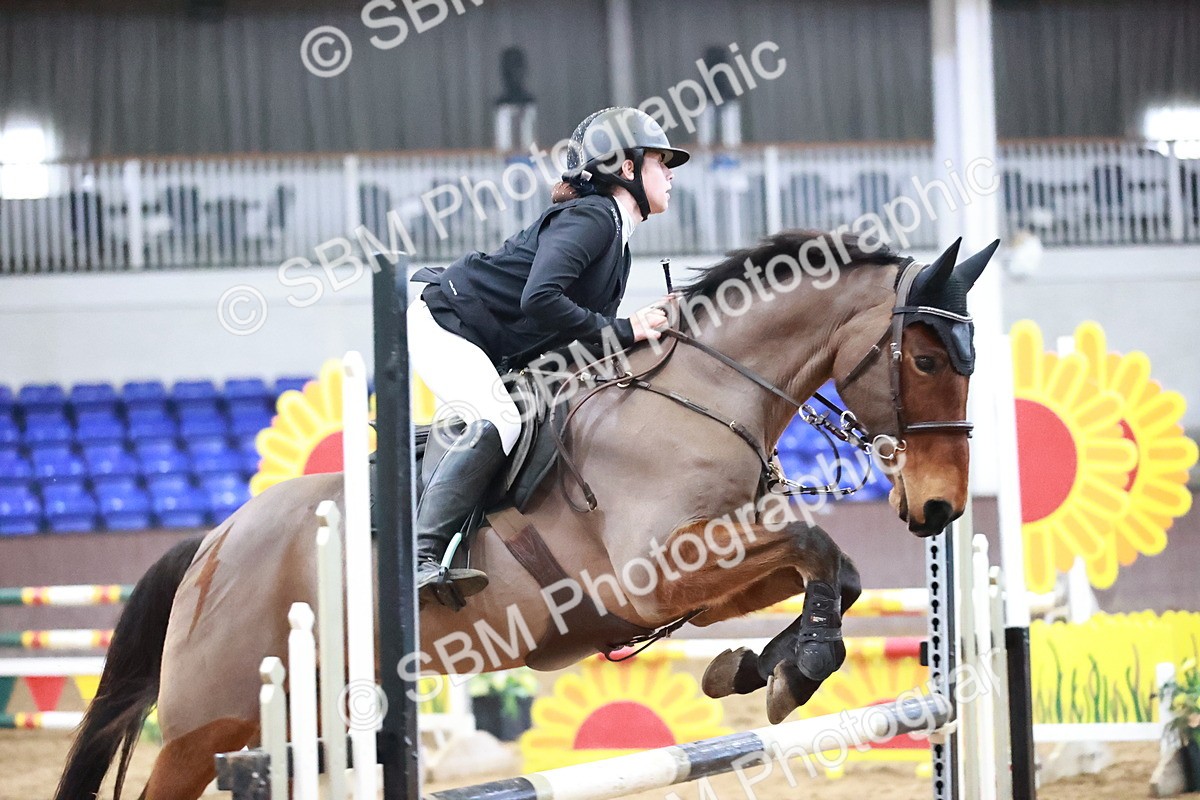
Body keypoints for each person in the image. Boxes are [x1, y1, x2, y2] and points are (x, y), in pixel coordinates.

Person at [408, 106, 690, 600]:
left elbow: (580, 336)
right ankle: (421, 556)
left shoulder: (617, 242)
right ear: (626, 168)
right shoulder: (594, 217)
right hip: (446, 322)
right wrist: (627, 328)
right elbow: (539, 299)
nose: (669, 173)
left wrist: (646, 327)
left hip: (487, 338)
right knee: (500, 419)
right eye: (660, 161)